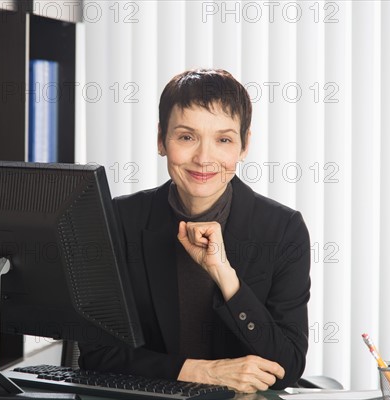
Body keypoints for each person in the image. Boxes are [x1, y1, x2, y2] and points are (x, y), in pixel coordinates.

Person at [78, 68, 310, 393]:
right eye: (187, 137)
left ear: (244, 146)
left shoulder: (283, 230)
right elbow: (97, 355)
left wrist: (224, 274)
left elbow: (286, 366)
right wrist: (204, 372)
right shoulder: (118, 219)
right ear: (161, 139)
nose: (204, 158)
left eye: (224, 140)